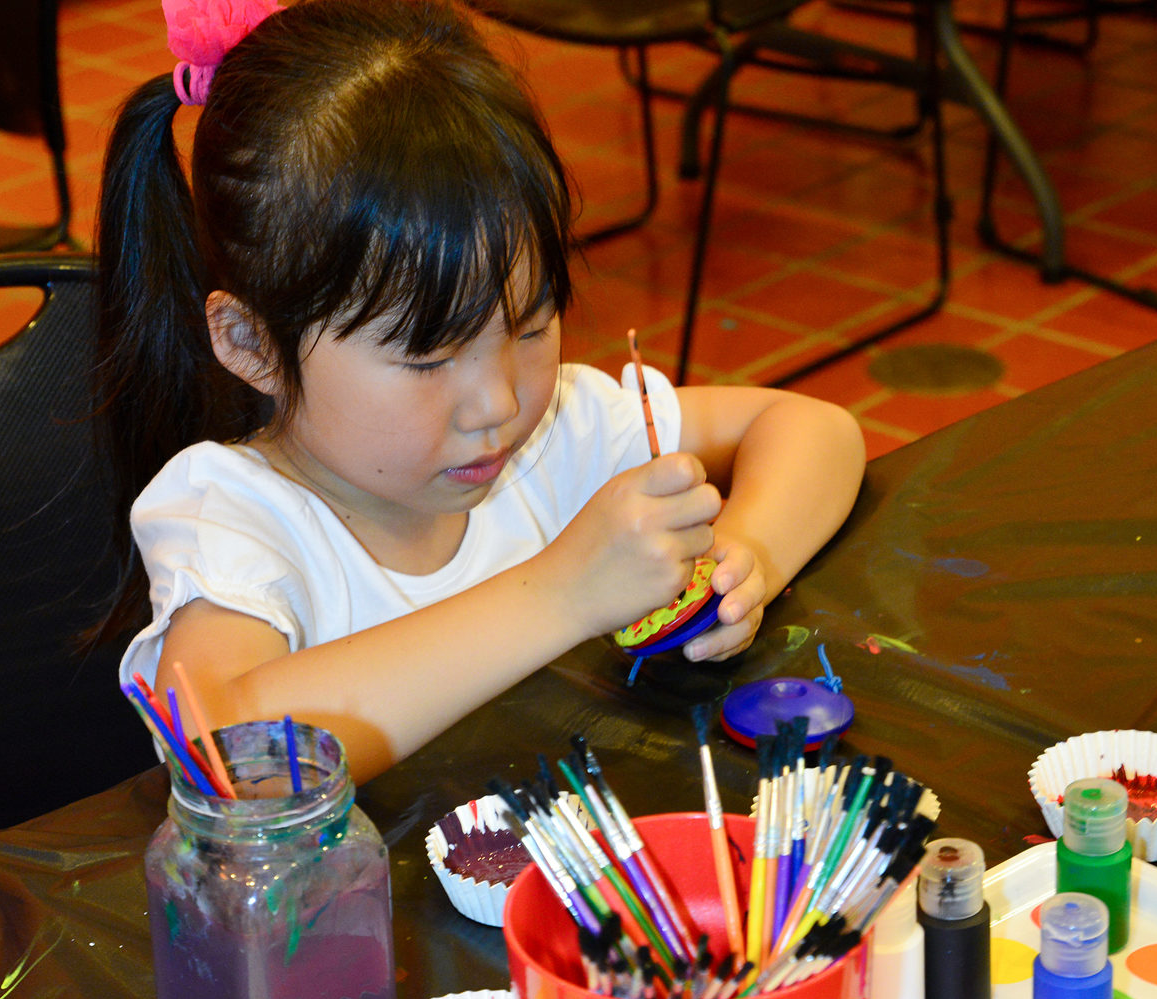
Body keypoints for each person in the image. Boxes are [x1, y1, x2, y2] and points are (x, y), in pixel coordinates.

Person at [90, 0, 866, 782]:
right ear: (252, 344)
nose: (497, 402)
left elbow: (813, 428)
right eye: (428, 358)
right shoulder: (232, 525)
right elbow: (226, 761)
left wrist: (746, 558)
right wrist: (559, 595)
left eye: (530, 327)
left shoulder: (558, 435)